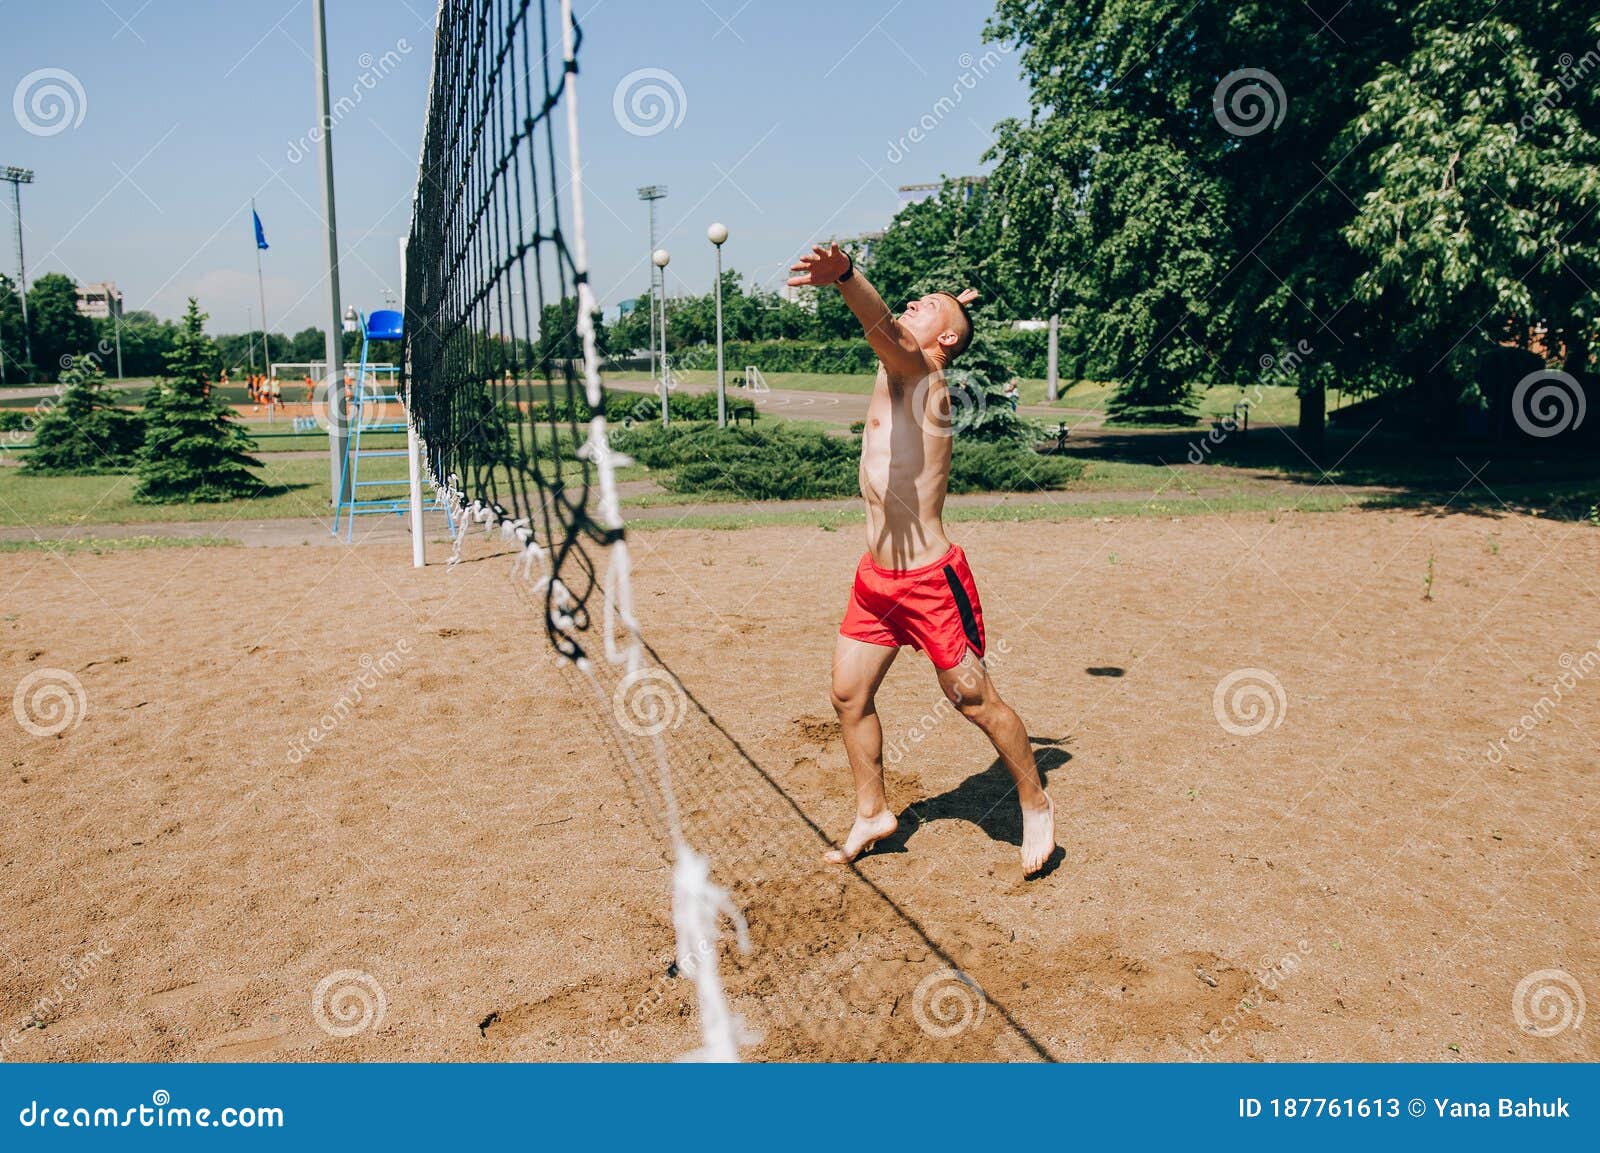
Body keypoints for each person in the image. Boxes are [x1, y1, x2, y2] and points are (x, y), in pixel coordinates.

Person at [786, 243, 1056, 876]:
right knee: (848, 696)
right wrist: (951, 306)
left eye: (926, 308)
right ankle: (874, 812)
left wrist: (848, 276)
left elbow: (892, 334)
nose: (914, 304)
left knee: (972, 699)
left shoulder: (922, 378)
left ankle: (1035, 801)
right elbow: (902, 332)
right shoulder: (900, 365)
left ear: (942, 346)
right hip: (876, 579)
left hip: (930, 580)